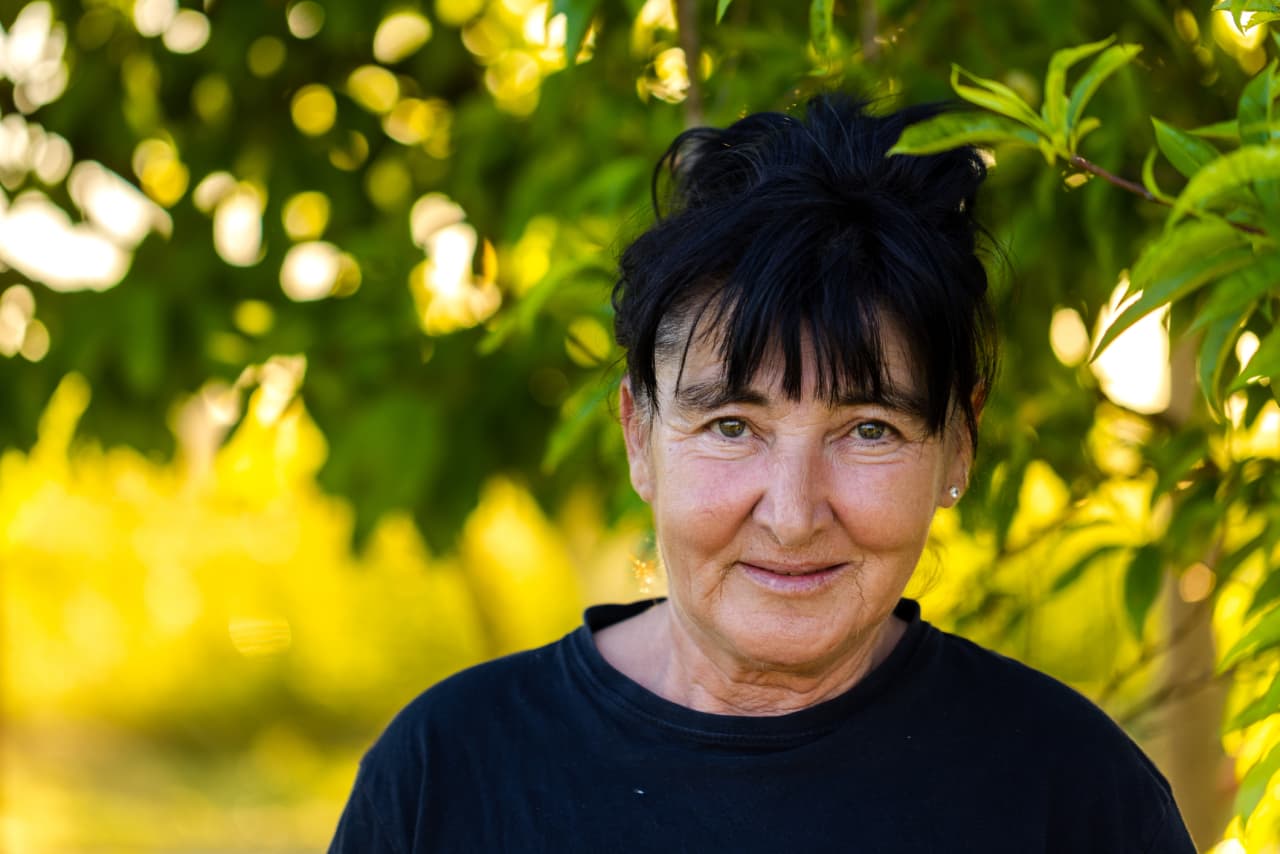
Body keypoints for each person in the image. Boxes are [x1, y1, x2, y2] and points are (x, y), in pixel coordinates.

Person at [329, 95, 1195, 853]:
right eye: (732, 426)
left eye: (868, 430)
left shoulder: (1073, 794)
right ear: (639, 435)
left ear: (958, 445)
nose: (792, 515)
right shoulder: (449, 773)